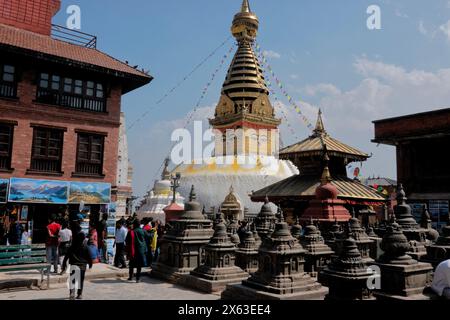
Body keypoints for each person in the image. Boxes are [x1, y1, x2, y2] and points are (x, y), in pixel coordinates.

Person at [61, 232, 93, 300]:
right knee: (80, 281)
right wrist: (90, 264)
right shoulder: (86, 247)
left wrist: (64, 266)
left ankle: (72, 293)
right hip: (82, 266)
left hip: (73, 265)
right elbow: (89, 257)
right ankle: (79, 294)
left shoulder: (72, 247)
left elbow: (66, 257)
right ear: (84, 239)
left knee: (72, 280)